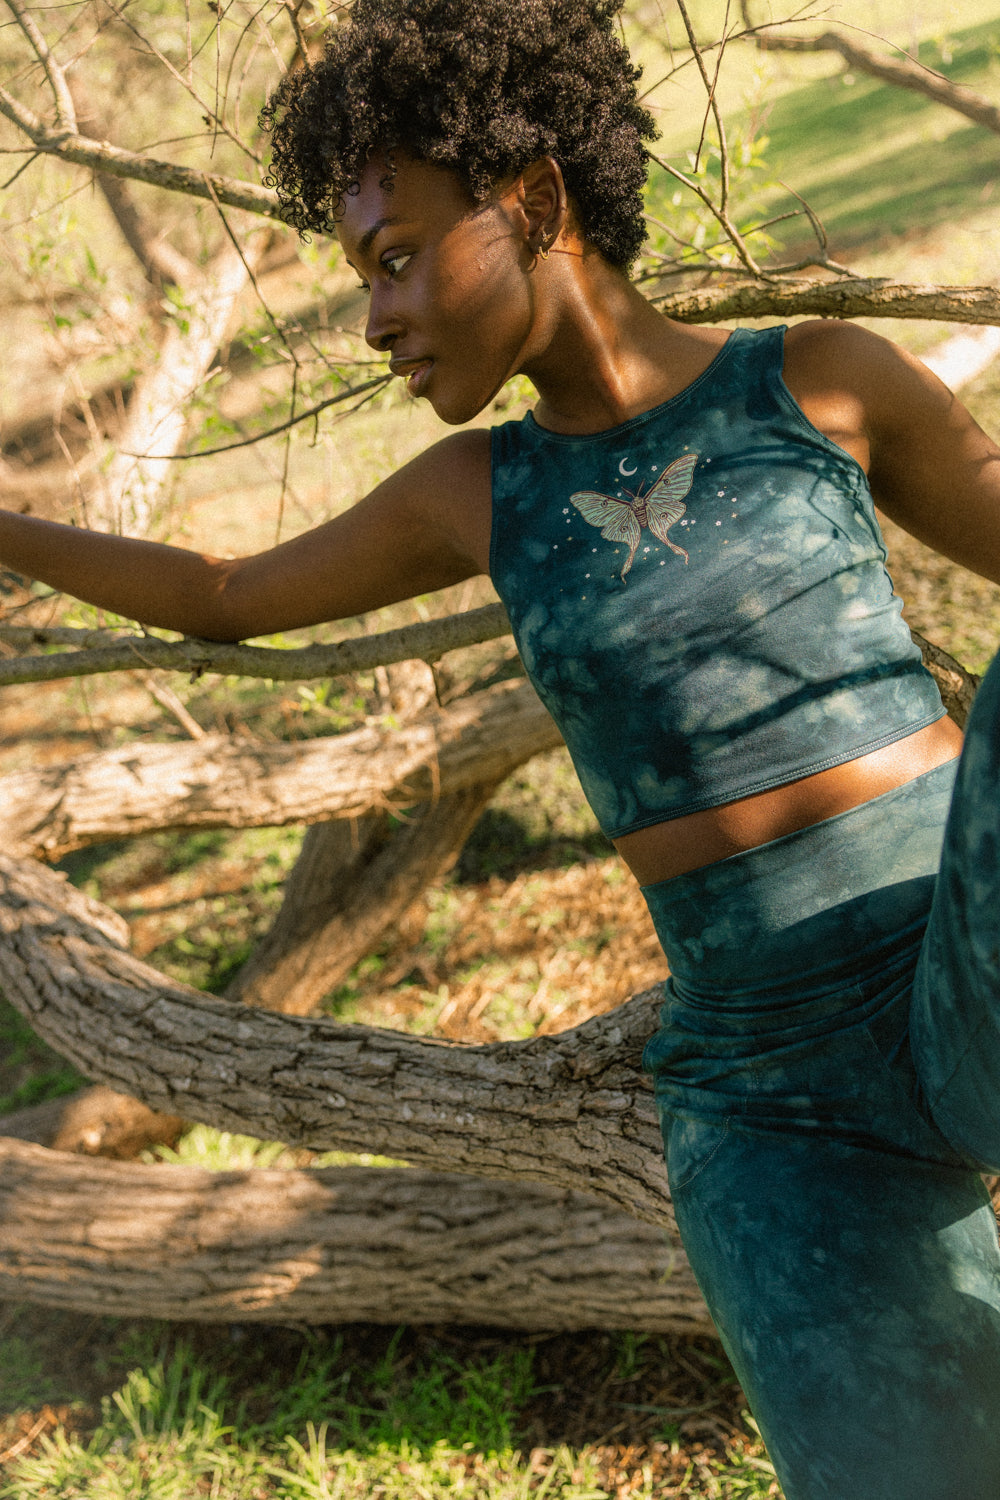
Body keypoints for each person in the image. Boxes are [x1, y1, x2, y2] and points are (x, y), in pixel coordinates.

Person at [3, 0, 1000, 1491]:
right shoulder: (475, 493)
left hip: (958, 945)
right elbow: (222, 596)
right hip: (772, 1083)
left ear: (532, 202)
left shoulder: (818, 378)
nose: (374, 319)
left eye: (398, 258)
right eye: (365, 276)